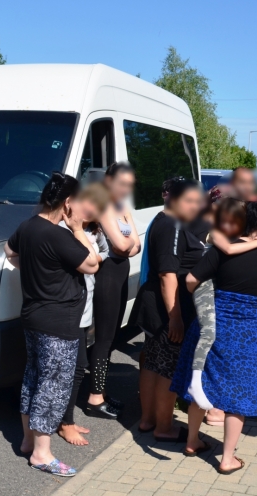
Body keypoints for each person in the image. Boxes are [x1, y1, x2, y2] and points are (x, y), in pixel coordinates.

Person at [173, 200, 257, 474]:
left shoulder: (224, 249)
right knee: (239, 393)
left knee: (202, 384)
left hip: (215, 323)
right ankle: (227, 458)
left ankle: (191, 441)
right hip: (249, 331)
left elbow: (191, 280)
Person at [4, 172, 100, 477]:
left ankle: (27, 441)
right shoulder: (59, 235)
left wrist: (35, 268)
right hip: (59, 322)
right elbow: (92, 264)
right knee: (53, 385)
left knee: (33, 377)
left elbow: (9, 252)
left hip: (33, 317)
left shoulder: (28, 226)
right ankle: (41, 454)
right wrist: (78, 229)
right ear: (68, 202)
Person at [130, 179, 204, 441]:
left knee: (152, 362)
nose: (194, 206)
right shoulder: (172, 225)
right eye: (189, 201)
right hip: (167, 307)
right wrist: (176, 318)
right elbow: (167, 274)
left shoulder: (164, 221)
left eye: (197, 201)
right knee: (167, 367)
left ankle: (148, 419)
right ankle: (164, 426)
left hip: (157, 305)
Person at [57, 183, 111, 446]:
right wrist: (89, 260)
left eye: (98, 207)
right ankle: (64, 422)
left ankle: (66, 419)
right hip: (67, 309)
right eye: (90, 203)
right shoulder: (63, 229)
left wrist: (95, 260)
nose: (92, 210)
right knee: (70, 367)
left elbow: (104, 253)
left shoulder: (93, 230)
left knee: (78, 366)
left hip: (84, 307)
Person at [87, 162, 141, 419]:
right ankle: (95, 397)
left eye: (129, 185)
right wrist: (128, 243)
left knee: (113, 336)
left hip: (121, 273)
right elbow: (120, 246)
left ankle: (102, 390)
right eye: (121, 184)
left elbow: (136, 246)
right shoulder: (104, 205)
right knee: (104, 338)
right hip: (107, 275)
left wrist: (127, 243)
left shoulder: (121, 207)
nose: (125, 189)